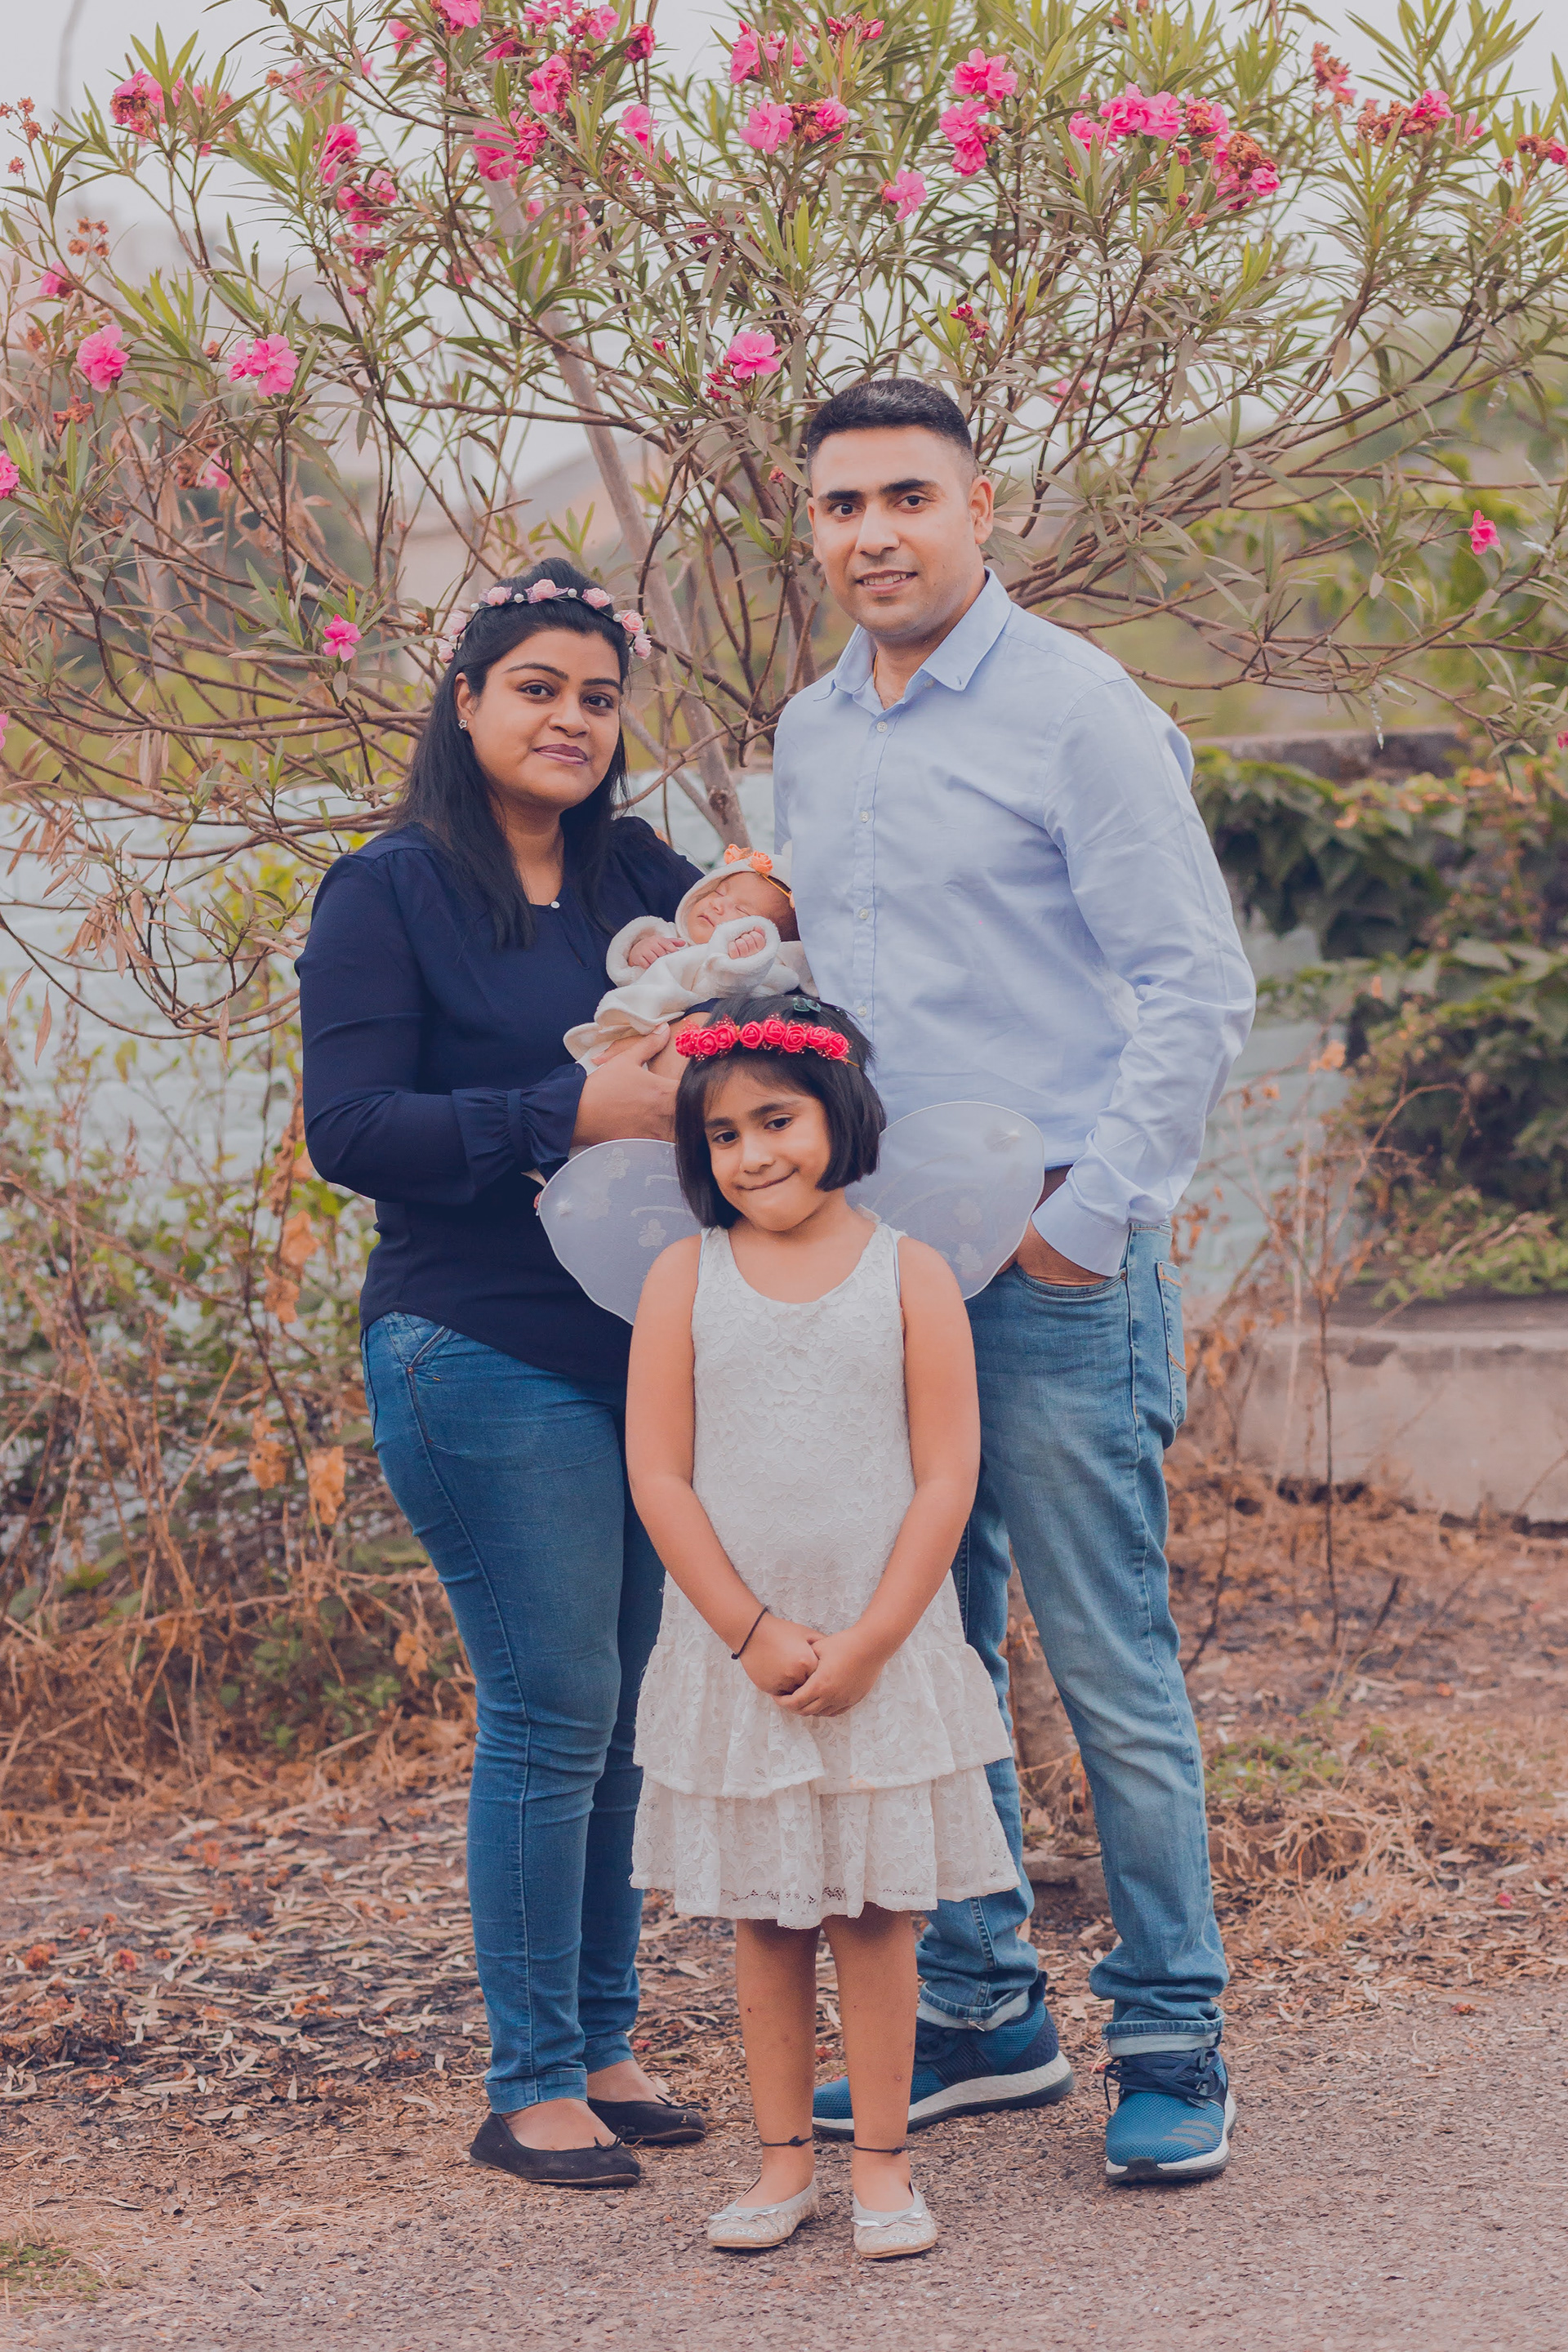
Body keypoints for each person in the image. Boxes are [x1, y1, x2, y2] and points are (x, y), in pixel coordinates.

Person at [774, 380, 1257, 2184]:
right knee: (931, 1648)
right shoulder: (813, 729)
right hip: (887, 1262)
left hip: (1053, 1256)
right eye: (843, 506)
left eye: (909, 496)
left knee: (1108, 1659)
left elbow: (1196, 990)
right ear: (812, 528)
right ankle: (983, 2011)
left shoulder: (1078, 710)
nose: (876, 534)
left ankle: (1174, 2032)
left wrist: (1089, 1218)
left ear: (983, 510)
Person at [297, 557, 710, 2190]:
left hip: (643, 1349)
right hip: (476, 1345)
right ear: (466, 701)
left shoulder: (636, 873)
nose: (571, 719)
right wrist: (565, 1111)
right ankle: (529, 2080)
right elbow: (350, 1132)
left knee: (620, 1719)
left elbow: (749, 987)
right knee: (550, 1715)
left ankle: (601, 2048)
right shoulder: (386, 892)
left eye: (598, 697)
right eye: (537, 688)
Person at [625, 996, 1016, 2259]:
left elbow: (947, 1475)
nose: (753, 1154)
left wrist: (874, 1639)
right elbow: (659, 1475)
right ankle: (782, 2160)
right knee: (770, 1913)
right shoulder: (684, 1278)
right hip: (743, 1651)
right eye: (723, 1135)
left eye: (776, 1120)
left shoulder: (911, 1274)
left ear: (838, 1114)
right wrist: (747, 1631)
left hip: (877, 1645)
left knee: (877, 1913)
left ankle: (884, 2165)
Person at [564, 845, 813, 1069]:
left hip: (693, 1057)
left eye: (741, 910)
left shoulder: (762, 970)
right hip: (630, 1031)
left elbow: (738, 996)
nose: (717, 905)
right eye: (719, 892)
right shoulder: (670, 936)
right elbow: (628, 975)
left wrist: (745, 964)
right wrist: (640, 953)